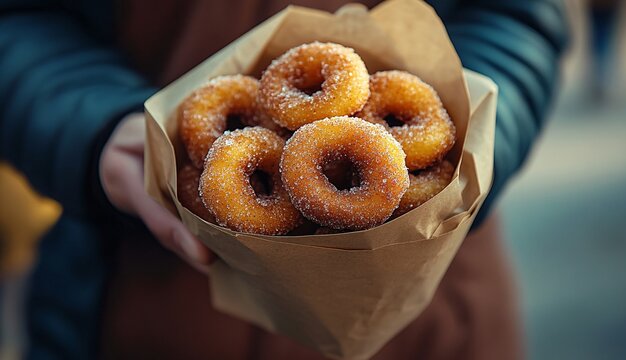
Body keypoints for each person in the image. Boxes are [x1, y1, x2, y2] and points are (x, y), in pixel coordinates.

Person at [0, 0, 568, 359]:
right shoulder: (256, 139)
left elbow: (518, 14)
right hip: (125, 299)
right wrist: (91, 125)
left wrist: (490, 127)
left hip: (428, 311)